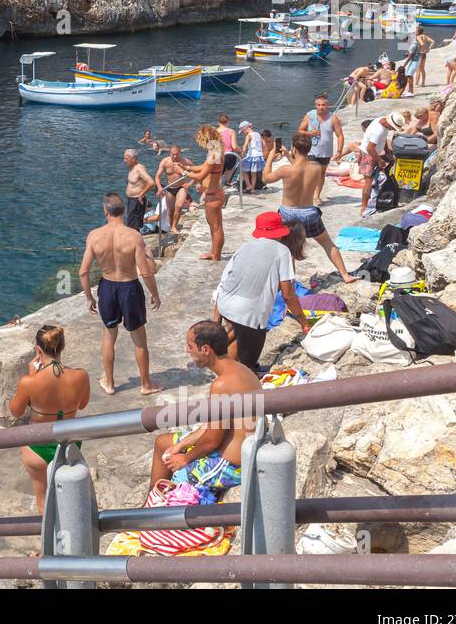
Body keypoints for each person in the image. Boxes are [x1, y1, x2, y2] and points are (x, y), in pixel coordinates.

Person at [149, 321, 259, 496]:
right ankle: (151, 502)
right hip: (227, 447)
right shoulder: (241, 369)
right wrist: (181, 445)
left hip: (232, 464)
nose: (187, 351)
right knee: (164, 443)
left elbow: (212, 440)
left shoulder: (221, 384)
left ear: (206, 349)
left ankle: (155, 510)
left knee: (179, 477)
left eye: (190, 346)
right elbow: (210, 427)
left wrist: (185, 458)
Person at [79, 193, 162, 396]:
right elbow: (145, 271)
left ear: (105, 212)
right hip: (130, 288)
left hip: (107, 287)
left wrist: (89, 297)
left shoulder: (94, 236)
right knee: (139, 339)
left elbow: (83, 271)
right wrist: (155, 294)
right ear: (124, 211)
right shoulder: (134, 236)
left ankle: (109, 383)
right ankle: (145, 385)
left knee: (109, 334)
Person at [212, 213, 310, 373]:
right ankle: (232, 379)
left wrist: (217, 319)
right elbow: (288, 295)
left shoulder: (244, 247)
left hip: (225, 304)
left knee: (241, 332)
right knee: (248, 363)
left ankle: (223, 372)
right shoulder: (283, 252)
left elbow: (225, 281)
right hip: (249, 312)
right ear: (281, 231)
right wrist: (304, 323)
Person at [9, 325, 91, 513]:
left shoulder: (29, 382)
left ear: (38, 351)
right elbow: (82, 405)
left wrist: (32, 376)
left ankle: (51, 539)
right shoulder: (81, 375)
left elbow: (16, 411)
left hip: (38, 446)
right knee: (69, 494)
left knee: (43, 498)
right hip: (69, 444)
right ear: (63, 346)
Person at [264, 132, 358, 282]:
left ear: (294, 148)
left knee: (288, 249)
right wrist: (289, 155)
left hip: (288, 213)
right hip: (309, 213)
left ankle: (290, 281)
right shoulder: (316, 168)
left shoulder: (286, 170)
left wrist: (270, 156)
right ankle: (346, 275)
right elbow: (301, 168)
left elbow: (265, 178)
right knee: (327, 243)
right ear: (308, 149)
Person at [187, 125, 226, 261]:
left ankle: (217, 255)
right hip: (215, 193)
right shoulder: (217, 150)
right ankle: (213, 251)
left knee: (216, 226)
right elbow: (204, 167)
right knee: (213, 226)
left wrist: (184, 173)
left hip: (213, 195)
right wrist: (188, 167)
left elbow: (199, 176)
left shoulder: (214, 155)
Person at [296, 94, 344, 205]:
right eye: (318, 105)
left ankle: (317, 196)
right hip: (311, 149)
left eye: (323, 105)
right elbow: (300, 130)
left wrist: (339, 151)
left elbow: (340, 135)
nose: (320, 107)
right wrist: (310, 133)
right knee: (312, 172)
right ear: (315, 105)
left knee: (321, 174)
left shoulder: (333, 118)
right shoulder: (309, 116)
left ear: (328, 105)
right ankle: (307, 194)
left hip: (326, 152)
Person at [360, 110, 408, 215]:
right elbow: (370, 149)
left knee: (376, 181)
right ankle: (364, 207)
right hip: (368, 155)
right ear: (389, 123)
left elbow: (383, 139)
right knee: (369, 182)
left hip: (374, 153)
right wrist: (380, 160)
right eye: (392, 127)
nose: (391, 129)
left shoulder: (381, 122)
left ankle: (373, 202)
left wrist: (386, 150)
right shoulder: (378, 131)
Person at [155, 146, 193, 234]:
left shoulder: (185, 161)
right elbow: (157, 176)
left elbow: (197, 172)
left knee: (179, 206)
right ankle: (171, 228)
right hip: (170, 188)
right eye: (173, 154)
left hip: (181, 187)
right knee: (170, 211)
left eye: (177, 154)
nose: (175, 156)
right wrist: (160, 187)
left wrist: (190, 183)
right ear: (170, 153)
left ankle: (174, 227)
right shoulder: (165, 162)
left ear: (180, 153)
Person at [122, 148, 155, 230]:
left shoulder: (139, 169)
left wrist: (141, 194)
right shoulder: (132, 168)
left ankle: (134, 242)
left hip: (137, 201)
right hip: (131, 200)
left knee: (133, 226)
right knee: (131, 224)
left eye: (126, 158)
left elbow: (151, 182)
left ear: (133, 159)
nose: (124, 161)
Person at [238, 121, 264, 192]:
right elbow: (263, 144)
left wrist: (243, 154)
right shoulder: (258, 134)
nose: (243, 134)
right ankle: (252, 189)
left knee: (243, 170)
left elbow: (245, 145)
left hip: (252, 156)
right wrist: (263, 153)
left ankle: (249, 185)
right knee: (254, 174)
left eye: (242, 132)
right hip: (259, 156)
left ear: (244, 129)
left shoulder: (249, 135)